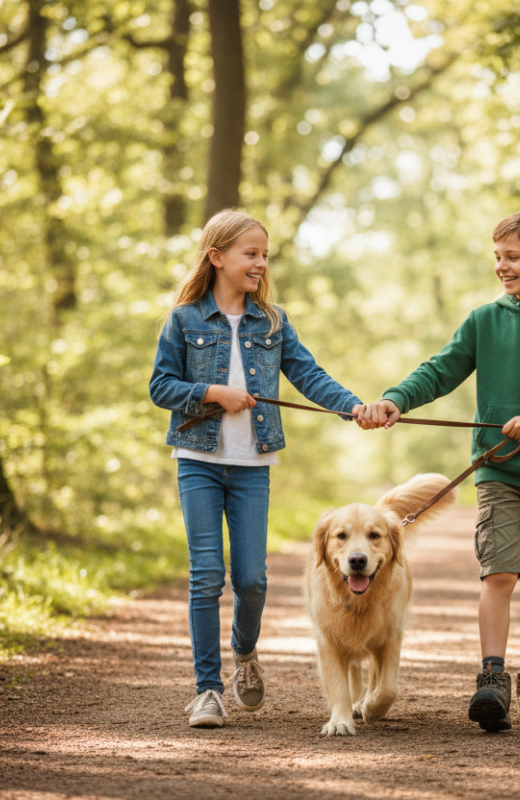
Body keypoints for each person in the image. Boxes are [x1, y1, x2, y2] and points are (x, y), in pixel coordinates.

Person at [361, 208, 520, 732]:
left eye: (512, 257)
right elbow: (442, 368)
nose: (501, 266)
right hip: (495, 470)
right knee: (498, 572)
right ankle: (491, 679)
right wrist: (396, 399)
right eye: (497, 256)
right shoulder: (484, 320)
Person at [149, 208, 368, 728]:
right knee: (207, 575)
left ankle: (243, 654)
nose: (260, 264)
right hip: (198, 460)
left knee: (250, 580)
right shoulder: (183, 320)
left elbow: (308, 374)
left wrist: (353, 407)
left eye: (264, 255)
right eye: (251, 254)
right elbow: (161, 387)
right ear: (216, 256)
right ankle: (206, 690)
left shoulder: (272, 322)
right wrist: (211, 393)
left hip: (252, 464)